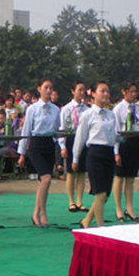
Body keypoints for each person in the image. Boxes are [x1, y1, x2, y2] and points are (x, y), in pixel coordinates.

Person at [72, 81, 116, 228]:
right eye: (102, 91)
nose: (106, 94)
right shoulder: (88, 115)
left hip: (109, 153)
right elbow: (80, 137)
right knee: (100, 193)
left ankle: (86, 221)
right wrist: (76, 158)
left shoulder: (111, 115)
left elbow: (113, 136)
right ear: (93, 93)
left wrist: (117, 150)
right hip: (95, 154)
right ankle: (100, 227)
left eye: (107, 91)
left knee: (105, 195)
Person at [18, 78, 60, 228]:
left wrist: (62, 144)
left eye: (51, 88)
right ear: (39, 89)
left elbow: (57, 131)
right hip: (35, 145)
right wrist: (22, 153)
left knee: (44, 183)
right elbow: (26, 131)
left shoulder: (56, 110)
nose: (48, 90)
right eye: (46, 87)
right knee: (46, 179)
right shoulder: (32, 109)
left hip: (49, 144)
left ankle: (37, 212)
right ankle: (41, 213)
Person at [112, 81, 139, 222]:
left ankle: (129, 208)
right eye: (131, 91)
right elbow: (116, 130)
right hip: (123, 142)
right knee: (119, 177)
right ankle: (118, 209)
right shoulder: (118, 109)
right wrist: (116, 152)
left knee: (130, 178)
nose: (133, 94)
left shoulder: (138, 108)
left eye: (135, 91)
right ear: (124, 92)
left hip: (134, 142)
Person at [59, 80, 89, 212]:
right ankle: (71, 201)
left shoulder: (87, 110)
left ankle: (80, 201)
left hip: (83, 140)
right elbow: (62, 128)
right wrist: (62, 146)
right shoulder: (66, 109)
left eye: (84, 90)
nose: (82, 92)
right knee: (71, 172)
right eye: (79, 90)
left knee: (81, 172)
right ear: (73, 91)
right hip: (71, 138)